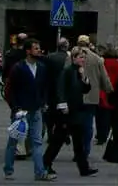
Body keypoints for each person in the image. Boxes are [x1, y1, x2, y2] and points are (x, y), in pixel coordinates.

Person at [3, 38, 53, 181]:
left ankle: (40, 172)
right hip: (20, 111)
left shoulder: (42, 68)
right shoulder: (18, 68)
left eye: (39, 48)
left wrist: (44, 102)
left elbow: (44, 87)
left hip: (36, 109)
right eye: (36, 48)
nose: (39, 51)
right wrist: (15, 107)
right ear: (28, 51)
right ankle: (8, 169)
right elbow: (10, 90)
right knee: (13, 141)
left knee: (37, 141)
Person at [43, 47, 97, 177]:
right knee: (58, 140)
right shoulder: (67, 71)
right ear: (73, 58)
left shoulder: (79, 72)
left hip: (76, 111)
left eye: (84, 57)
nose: (83, 60)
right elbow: (60, 88)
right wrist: (63, 105)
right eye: (80, 57)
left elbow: (85, 89)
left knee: (78, 142)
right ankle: (45, 163)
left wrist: (84, 78)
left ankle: (84, 168)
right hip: (66, 113)